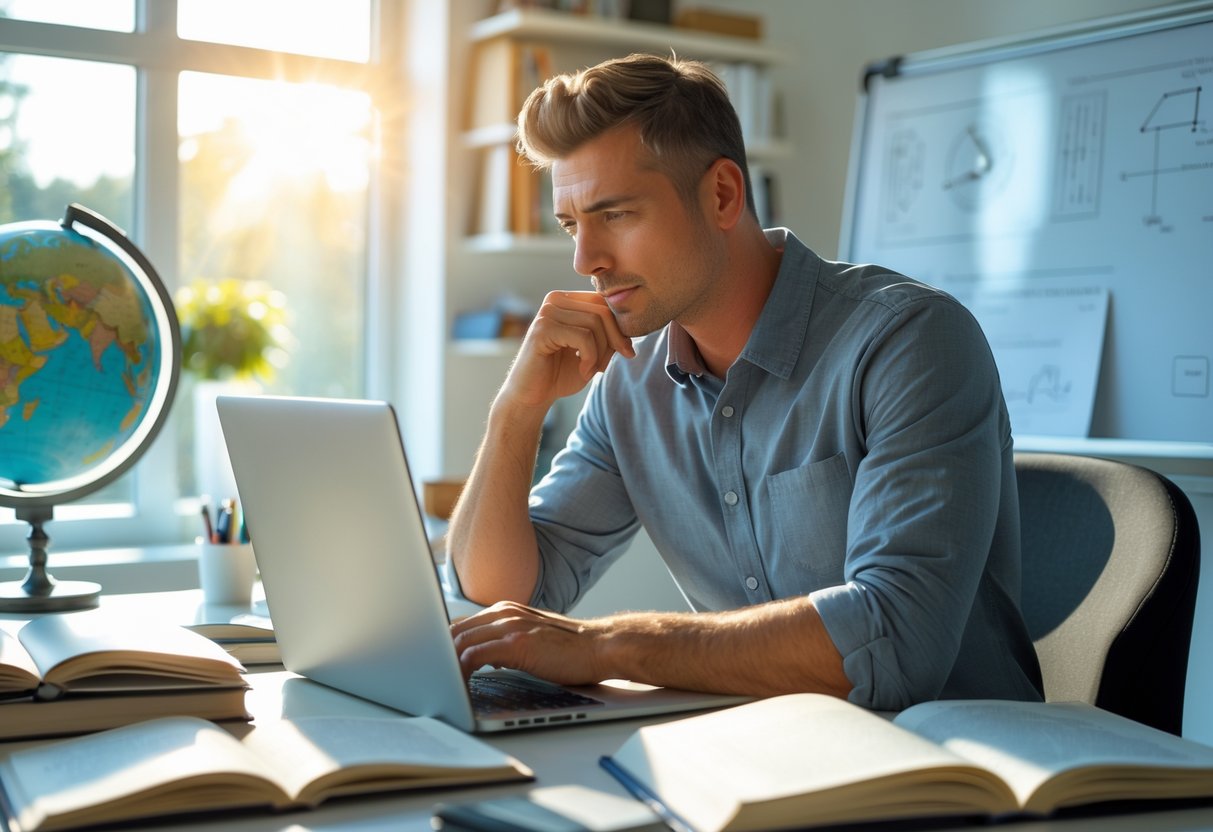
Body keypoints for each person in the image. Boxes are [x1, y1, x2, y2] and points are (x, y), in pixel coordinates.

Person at [446, 53, 1043, 712]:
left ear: (722, 195)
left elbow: (895, 641)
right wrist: (515, 409)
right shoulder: (630, 385)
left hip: (960, 771)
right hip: (766, 755)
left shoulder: (908, 341)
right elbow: (502, 603)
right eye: (572, 224)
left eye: (614, 216)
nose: (585, 259)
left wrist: (611, 646)